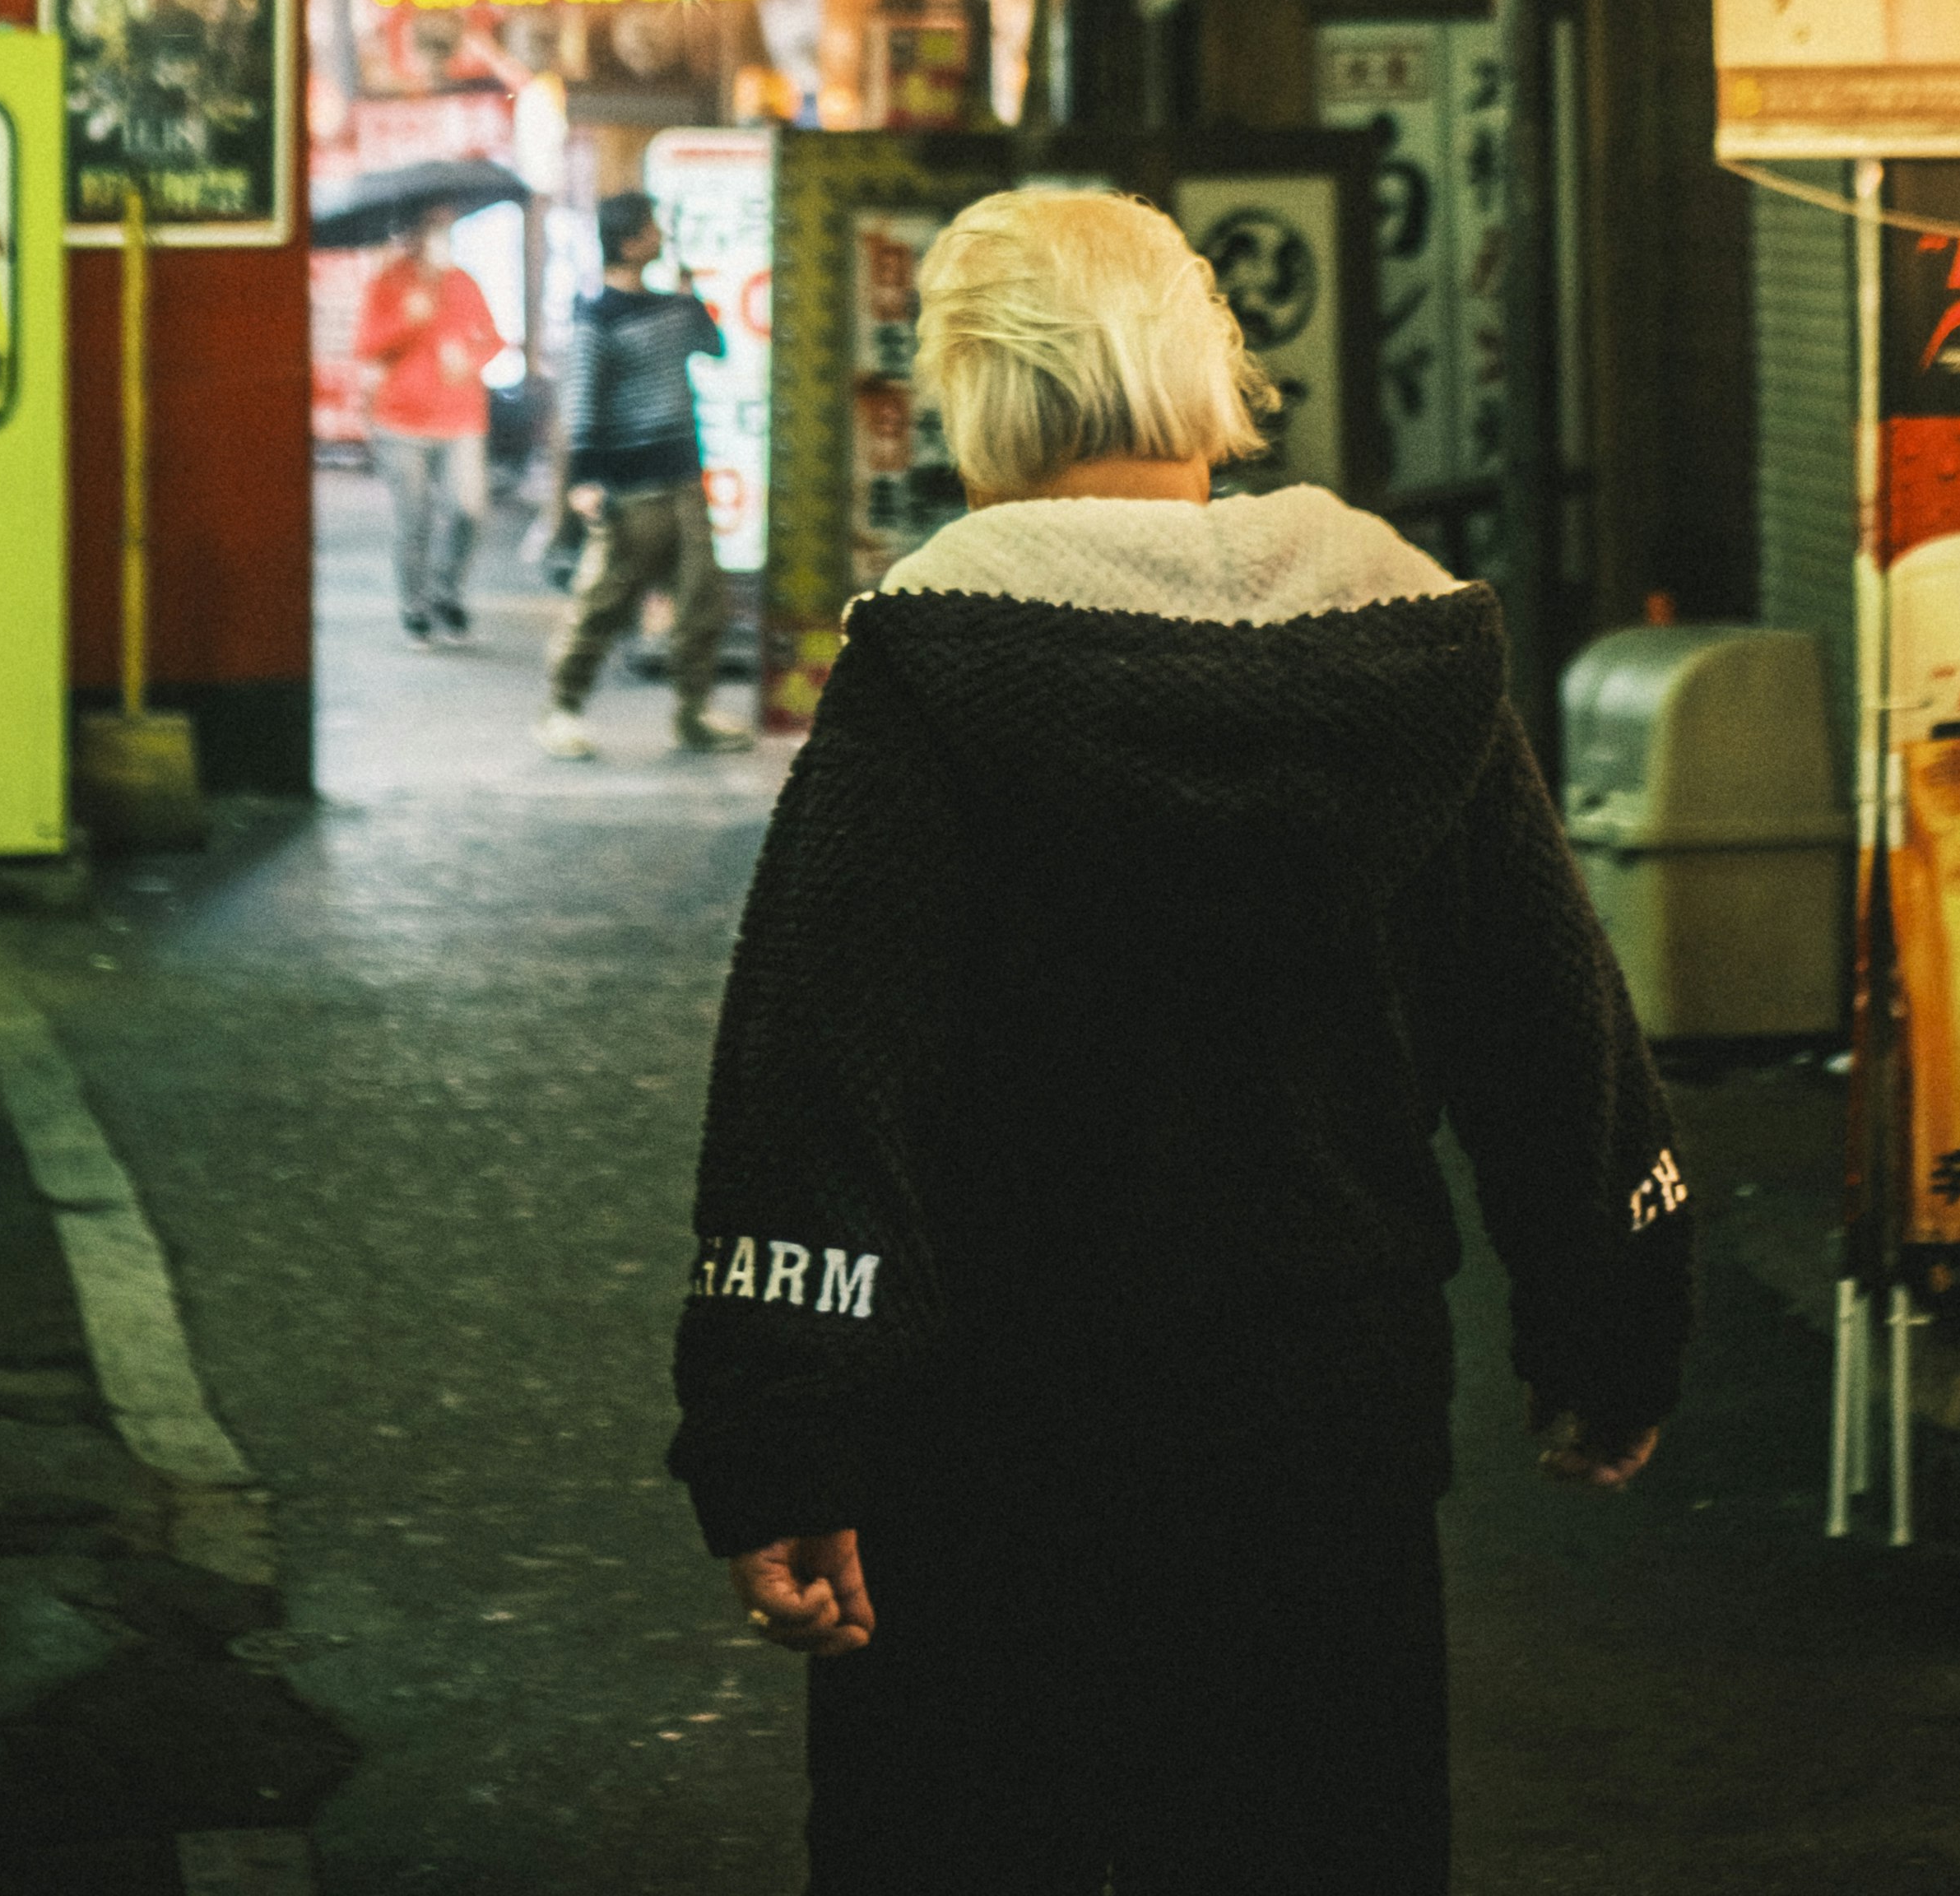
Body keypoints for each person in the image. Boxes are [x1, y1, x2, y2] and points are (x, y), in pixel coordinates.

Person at [666, 183, 1688, 1895]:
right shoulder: (1394, 632)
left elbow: (826, 1065)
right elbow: (1545, 1013)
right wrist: (1612, 1319)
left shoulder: (940, 655)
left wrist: (781, 1429)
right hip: (1328, 1420)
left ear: (981, 388)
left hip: (997, 1437)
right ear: (1200, 363)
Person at [539, 188, 745, 758]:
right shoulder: (596, 318)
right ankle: (562, 708)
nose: (660, 238)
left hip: (683, 476)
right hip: (630, 488)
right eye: (652, 229)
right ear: (629, 242)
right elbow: (582, 404)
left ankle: (693, 711)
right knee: (603, 601)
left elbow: (716, 346)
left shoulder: (671, 307)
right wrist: (585, 479)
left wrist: (691, 295)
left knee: (702, 600)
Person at [354, 207, 504, 644]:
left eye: (445, 229)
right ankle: (415, 606)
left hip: (461, 418)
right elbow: (366, 347)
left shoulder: (462, 282)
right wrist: (408, 319)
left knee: (468, 509)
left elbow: (493, 339)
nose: (440, 238)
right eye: (432, 229)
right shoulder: (388, 282)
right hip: (401, 421)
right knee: (414, 518)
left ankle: (446, 592)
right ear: (412, 234)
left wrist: (472, 359)